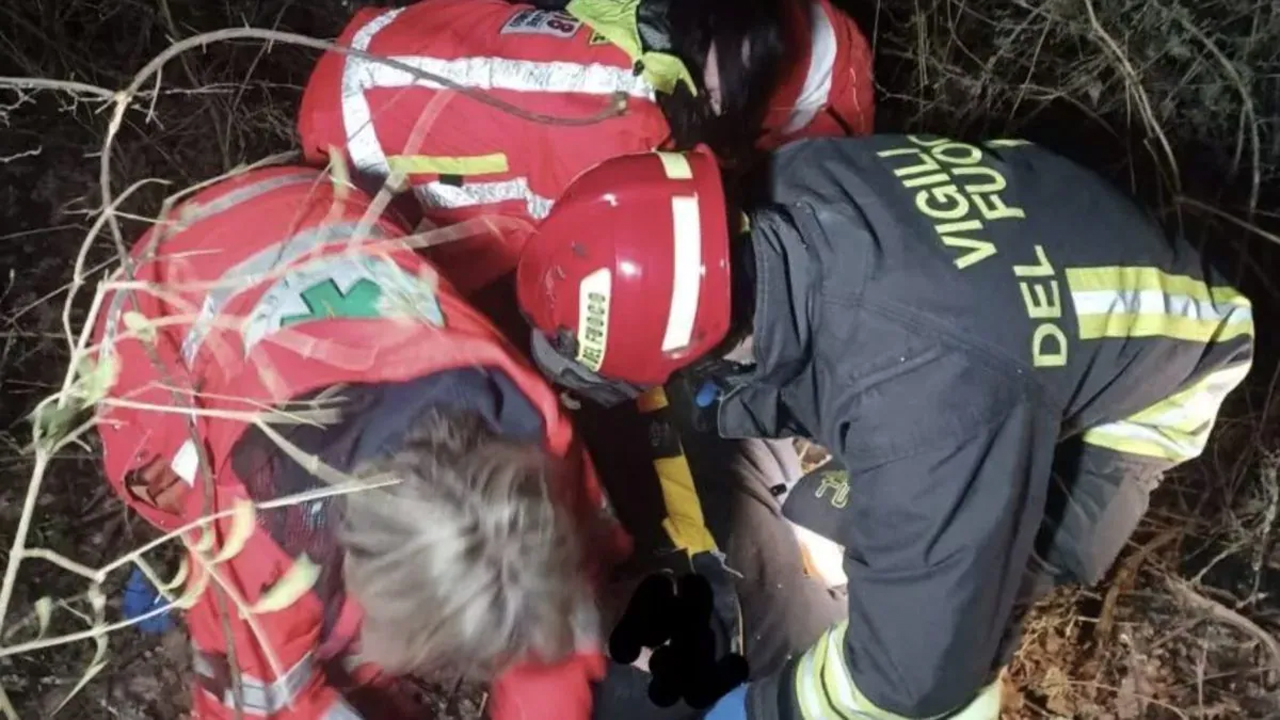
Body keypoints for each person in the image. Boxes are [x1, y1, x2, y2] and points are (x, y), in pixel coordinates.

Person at [513, 137, 1256, 719]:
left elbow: (908, 682)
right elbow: (800, 344)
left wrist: (763, 711)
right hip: (1034, 262)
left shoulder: (925, 405)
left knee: (980, 622)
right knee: (857, 509)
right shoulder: (786, 184)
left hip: (1168, 367)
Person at [91, 165, 632, 720]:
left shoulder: (534, 424)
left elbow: (557, 619)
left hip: (309, 205)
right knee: (180, 498)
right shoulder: (251, 535)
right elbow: (261, 707)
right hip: (154, 302)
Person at [296, 0, 874, 296]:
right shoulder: (629, 129)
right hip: (353, 143)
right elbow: (581, 266)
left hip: (377, 46)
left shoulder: (645, 24)